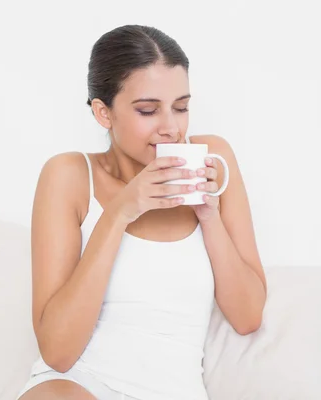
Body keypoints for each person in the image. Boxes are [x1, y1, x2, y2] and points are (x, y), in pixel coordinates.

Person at [18, 24, 267, 400]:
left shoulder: (215, 158)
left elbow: (248, 318)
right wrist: (118, 212)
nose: (172, 128)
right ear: (104, 113)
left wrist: (209, 215)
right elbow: (58, 352)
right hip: (78, 385)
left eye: (181, 107)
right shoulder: (69, 176)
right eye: (148, 110)